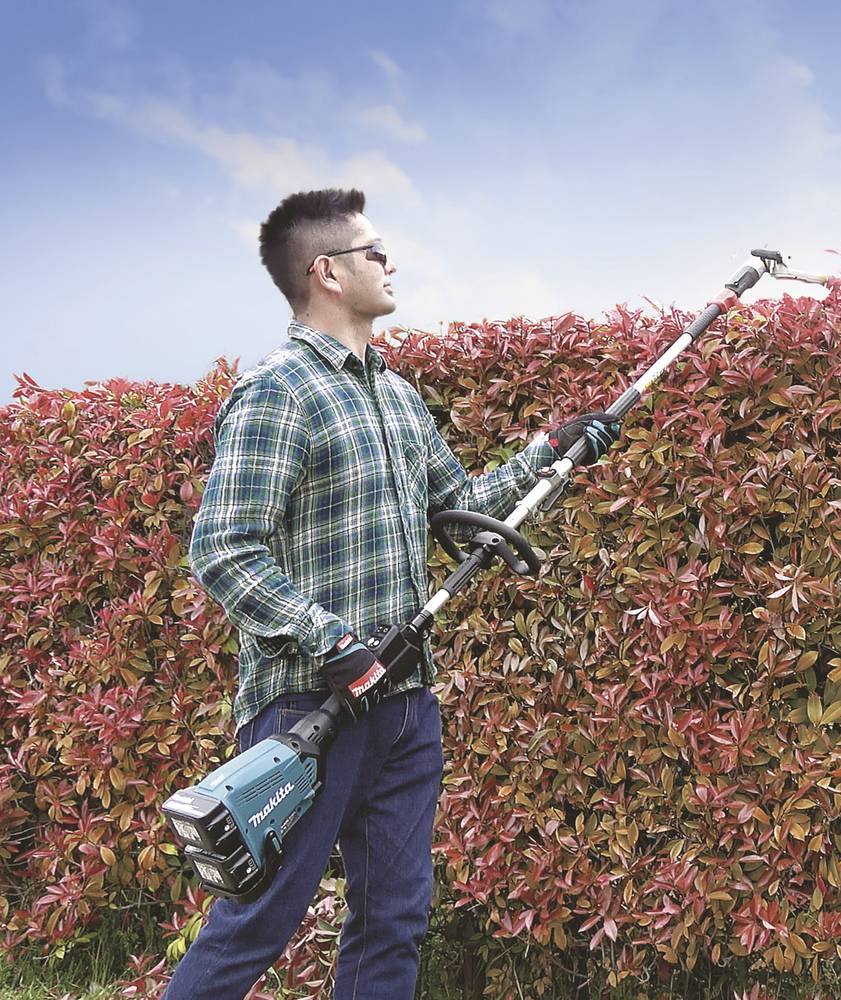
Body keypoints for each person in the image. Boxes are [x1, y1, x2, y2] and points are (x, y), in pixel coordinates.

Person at [161, 187, 622, 999]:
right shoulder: (279, 391)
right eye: (376, 251)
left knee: (395, 920)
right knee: (261, 919)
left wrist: (557, 447)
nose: (390, 261)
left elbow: (463, 511)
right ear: (328, 272)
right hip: (311, 707)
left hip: (406, 704)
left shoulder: (398, 396)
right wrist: (328, 639)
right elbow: (224, 550)